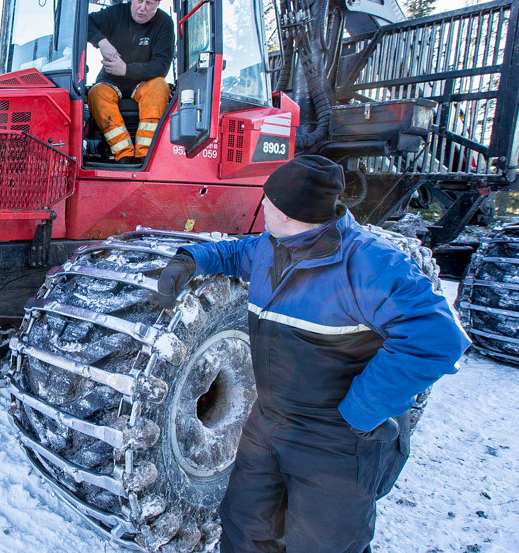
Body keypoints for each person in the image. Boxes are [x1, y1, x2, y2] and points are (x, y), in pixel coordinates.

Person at [157, 155, 469, 552]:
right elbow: (239, 253)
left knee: (321, 544)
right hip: (269, 421)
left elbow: (438, 340)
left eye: (268, 199)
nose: (263, 206)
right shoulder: (275, 247)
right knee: (244, 531)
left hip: (333, 439)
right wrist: (193, 258)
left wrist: (360, 411)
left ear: (289, 211)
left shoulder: (369, 263)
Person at [87, 0, 174, 163]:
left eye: (149, 3)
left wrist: (126, 70)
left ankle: (146, 156)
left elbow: (161, 66)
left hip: (144, 82)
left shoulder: (164, 24)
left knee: (160, 86)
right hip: (110, 81)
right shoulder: (117, 13)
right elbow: (85, 22)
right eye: (139, 0)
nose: (142, 8)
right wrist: (101, 42)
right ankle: (124, 155)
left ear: (157, 5)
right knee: (96, 94)